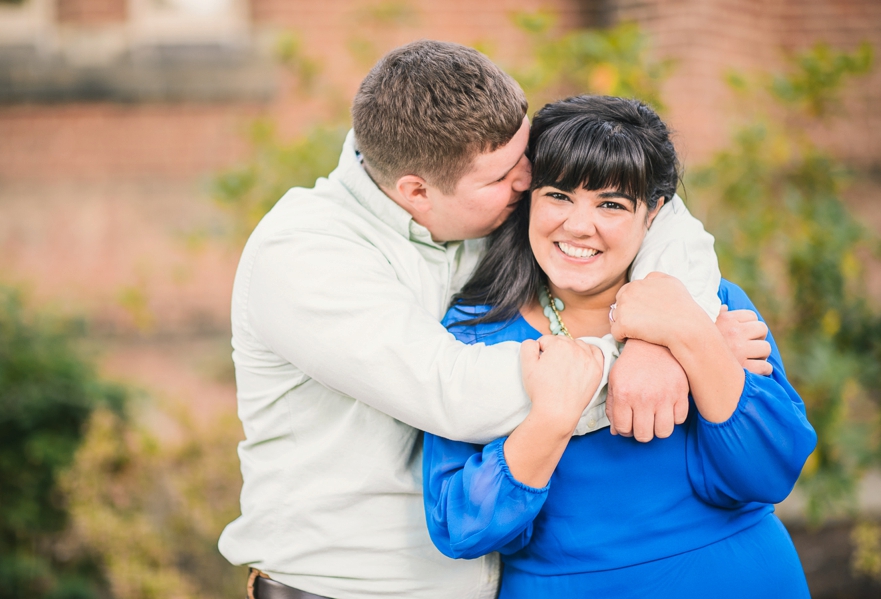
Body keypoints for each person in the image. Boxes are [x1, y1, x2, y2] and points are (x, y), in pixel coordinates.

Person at [220, 41, 729, 599]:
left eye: (524, 157)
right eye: (502, 176)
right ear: (416, 191)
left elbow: (666, 218)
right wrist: (667, 355)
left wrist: (665, 342)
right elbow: (454, 393)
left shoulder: (481, 197)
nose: (527, 181)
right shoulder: (304, 254)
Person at [422, 95, 818, 598]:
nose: (579, 225)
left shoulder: (713, 305)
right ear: (529, 197)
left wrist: (693, 341)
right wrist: (551, 417)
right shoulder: (476, 332)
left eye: (611, 203)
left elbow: (770, 471)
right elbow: (461, 527)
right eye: (558, 195)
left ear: (652, 213)